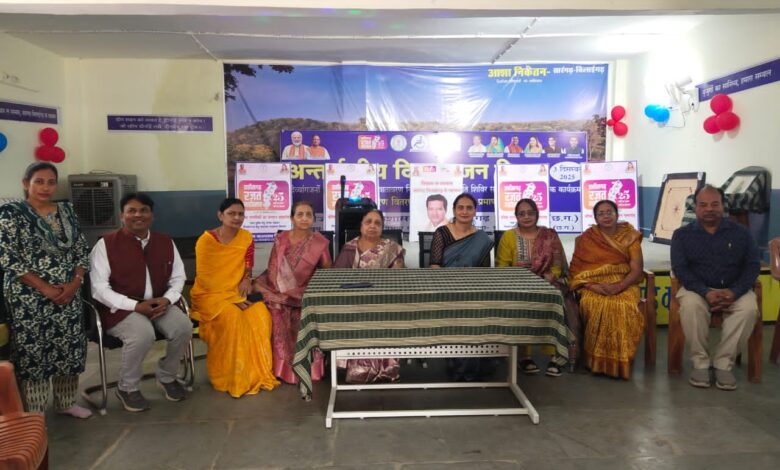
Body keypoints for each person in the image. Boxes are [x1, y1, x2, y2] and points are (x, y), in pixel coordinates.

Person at [0, 162, 91, 418]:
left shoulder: (67, 211)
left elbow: (81, 250)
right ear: (25, 183)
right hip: (28, 297)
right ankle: (35, 411)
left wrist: (74, 284)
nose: (45, 187)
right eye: (38, 181)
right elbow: (7, 257)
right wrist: (45, 288)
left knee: (69, 347)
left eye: (51, 182)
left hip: (68, 295)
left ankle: (66, 403)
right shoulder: (11, 213)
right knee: (34, 351)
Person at [90, 193, 192, 412]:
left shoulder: (165, 242)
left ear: (152, 215)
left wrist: (167, 299)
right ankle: (127, 387)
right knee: (142, 334)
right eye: (132, 211)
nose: (138, 215)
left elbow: (178, 277)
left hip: (159, 303)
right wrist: (134, 306)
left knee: (183, 327)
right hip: (121, 308)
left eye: (144, 210)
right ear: (122, 215)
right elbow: (99, 288)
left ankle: (167, 376)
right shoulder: (105, 245)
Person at [670, 185, 759, 390]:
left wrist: (735, 292)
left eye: (714, 204)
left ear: (723, 206)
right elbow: (680, 269)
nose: (709, 209)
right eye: (703, 204)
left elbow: (753, 266)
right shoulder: (682, 235)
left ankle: (723, 364)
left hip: (734, 289)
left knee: (748, 309)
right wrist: (705, 292)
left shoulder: (742, 233)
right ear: (695, 207)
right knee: (691, 306)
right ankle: (700, 364)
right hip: (696, 289)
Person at [190, 198, 279, 397]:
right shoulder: (207, 240)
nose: (237, 218)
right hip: (210, 296)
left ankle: (256, 374)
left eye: (240, 214)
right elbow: (206, 279)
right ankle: (231, 377)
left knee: (260, 314)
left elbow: (248, 264)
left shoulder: (246, 237)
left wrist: (247, 278)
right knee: (234, 318)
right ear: (220, 215)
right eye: (231, 213)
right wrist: (232, 299)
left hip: (236, 294)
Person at [253, 200, 332, 384]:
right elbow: (273, 268)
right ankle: (281, 370)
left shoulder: (320, 243)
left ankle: (308, 369)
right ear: (292, 218)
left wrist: (302, 292)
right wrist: (281, 294)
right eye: (300, 214)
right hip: (277, 291)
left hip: (305, 293)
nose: (304, 218)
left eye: (308, 215)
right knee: (277, 313)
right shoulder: (280, 239)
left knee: (303, 316)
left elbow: (327, 271)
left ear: (313, 219)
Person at [568, 200, 644, 379]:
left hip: (624, 282)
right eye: (601, 213)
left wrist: (619, 286)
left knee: (623, 306)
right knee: (594, 304)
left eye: (609, 212)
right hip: (593, 284)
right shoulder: (587, 239)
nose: (606, 216)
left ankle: (620, 363)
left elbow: (637, 269)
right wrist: (592, 286)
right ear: (595, 218)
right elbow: (576, 270)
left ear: (617, 214)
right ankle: (594, 362)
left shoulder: (630, 237)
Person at [496, 198, 566, 376]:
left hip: (547, 282)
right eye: (522, 213)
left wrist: (550, 277)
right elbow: (502, 266)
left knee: (554, 299)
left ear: (537, 214)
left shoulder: (549, 235)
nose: (526, 217)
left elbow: (557, 264)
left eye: (530, 213)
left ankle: (554, 355)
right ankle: (524, 356)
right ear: (516, 216)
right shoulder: (509, 237)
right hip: (517, 283)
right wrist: (520, 281)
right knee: (521, 302)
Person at [333, 209, 405, 383]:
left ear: (382, 228)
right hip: (353, 301)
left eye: (377, 223)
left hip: (384, 301)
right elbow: (336, 279)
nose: (372, 226)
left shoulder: (391, 248)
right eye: (368, 222)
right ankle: (358, 368)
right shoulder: (349, 248)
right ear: (361, 226)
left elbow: (399, 280)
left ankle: (385, 368)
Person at [429, 193, 493, 381]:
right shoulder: (442, 233)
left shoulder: (481, 238)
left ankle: (470, 366)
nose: (465, 211)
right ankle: (459, 366)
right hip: (446, 289)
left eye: (469, 208)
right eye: (460, 207)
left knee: (476, 315)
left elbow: (484, 273)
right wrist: (449, 287)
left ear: (475, 211)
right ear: (454, 210)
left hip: (473, 290)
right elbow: (435, 266)